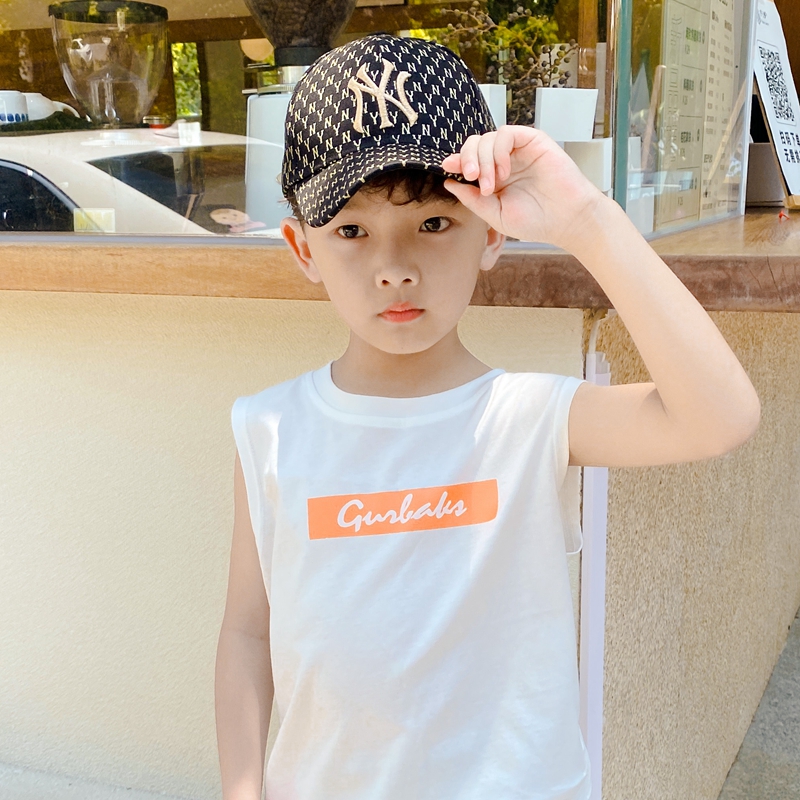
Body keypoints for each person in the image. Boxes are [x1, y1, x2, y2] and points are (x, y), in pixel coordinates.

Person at [214, 34, 760, 800]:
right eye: (352, 230)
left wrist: (587, 219)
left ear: (491, 231)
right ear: (303, 248)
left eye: (434, 223)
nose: (394, 267)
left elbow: (720, 416)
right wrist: (242, 788)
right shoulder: (269, 428)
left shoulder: (529, 418)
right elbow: (247, 630)